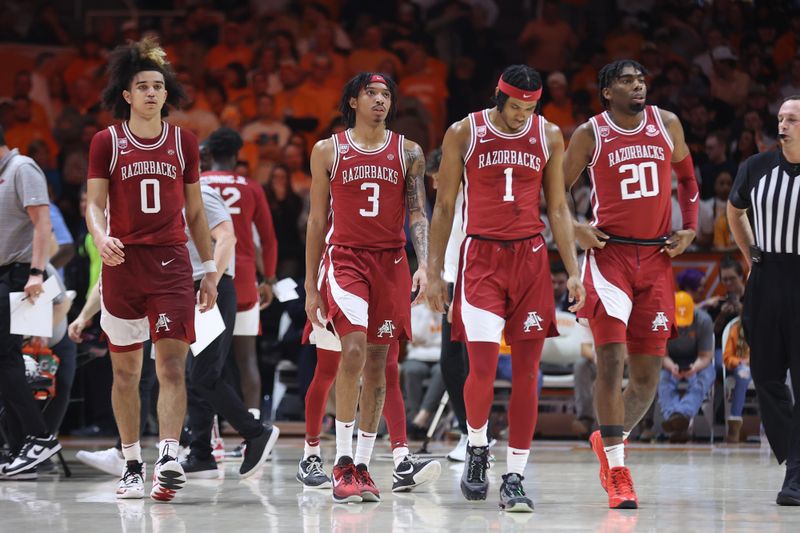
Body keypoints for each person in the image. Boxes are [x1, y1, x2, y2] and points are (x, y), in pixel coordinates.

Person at [427, 64, 585, 512]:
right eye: (516, 107)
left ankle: (514, 476)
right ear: (499, 99)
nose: (522, 115)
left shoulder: (549, 135)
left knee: (527, 374)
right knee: (480, 366)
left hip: (530, 259)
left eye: (530, 108)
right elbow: (443, 208)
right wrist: (435, 271)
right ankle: (477, 446)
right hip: (479, 258)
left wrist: (572, 269)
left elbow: (557, 206)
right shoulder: (464, 132)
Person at [84, 37, 217, 502]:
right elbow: (94, 204)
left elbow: (197, 214)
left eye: (158, 86)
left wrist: (212, 269)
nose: (151, 93)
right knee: (125, 374)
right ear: (126, 94)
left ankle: (167, 456)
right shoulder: (107, 142)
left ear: (167, 93)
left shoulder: (184, 143)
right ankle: (131, 462)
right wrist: (101, 239)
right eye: (142, 86)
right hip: (122, 264)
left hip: (171, 263)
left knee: (173, 366)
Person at [563, 59, 699, 509]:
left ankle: (608, 441)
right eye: (626, 80)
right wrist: (577, 227)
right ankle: (619, 471)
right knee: (611, 360)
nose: (637, 85)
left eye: (641, 79)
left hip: (658, 257)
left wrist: (692, 226)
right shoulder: (590, 133)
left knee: (646, 378)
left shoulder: (668, 123)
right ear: (607, 92)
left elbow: (687, 178)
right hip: (610, 258)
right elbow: (553, 190)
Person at [304, 72, 429, 504]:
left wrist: (425, 264)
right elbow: (317, 219)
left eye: (386, 94)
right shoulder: (328, 149)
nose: (380, 100)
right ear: (353, 101)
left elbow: (417, 214)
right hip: (344, 259)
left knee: (379, 363)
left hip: (391, 263)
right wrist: (309, 284)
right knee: (353, 350)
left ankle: (362, 464)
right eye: (371, 93)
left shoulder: (409, 151)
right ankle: (340, 462)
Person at [180, 175, 280, 480]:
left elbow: (228, 237)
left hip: (211, 287)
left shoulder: (202, 193)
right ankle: (201, 453)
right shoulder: (172, 196)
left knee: (205, 374)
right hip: (190, 287)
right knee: (193, 373)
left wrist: (211, 279)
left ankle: (255, 432)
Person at [727, 95, 800, 505]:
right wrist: (750, 254)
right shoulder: (755, 168)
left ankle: (795, 477)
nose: (783, 124)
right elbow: (734, 212)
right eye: (781, 118)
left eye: (792, 119)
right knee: (766, 376)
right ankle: (795, 457)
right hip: (766, 276)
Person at [199, 128, 278, 427]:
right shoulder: (251, 187)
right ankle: (254, 427)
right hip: (244, 278)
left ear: (209, 155)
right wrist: (269, 278)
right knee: (247, 360)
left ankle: (210, 434)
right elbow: (270, 240)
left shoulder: (198, 184)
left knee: (205, 361)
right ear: (236, 155)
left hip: (207, 274)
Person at [0, 126, 62, 478]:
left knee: (6, 359)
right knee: (5, 362)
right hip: (5, 274)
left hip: (22, 276)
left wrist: (36, 272)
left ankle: (40, 437)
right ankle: (23, 447)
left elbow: (42, 223)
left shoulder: (21, 168)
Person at [657, 291, 714, 443]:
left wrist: (694, 368)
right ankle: (678, 421)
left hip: (697, 361)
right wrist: (671, 367)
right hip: (670, 360)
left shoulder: (704, 321)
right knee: (663, 380)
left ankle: (679, 416)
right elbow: (662, 354)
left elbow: (706, 356)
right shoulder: (662, 319)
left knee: (704, 378)